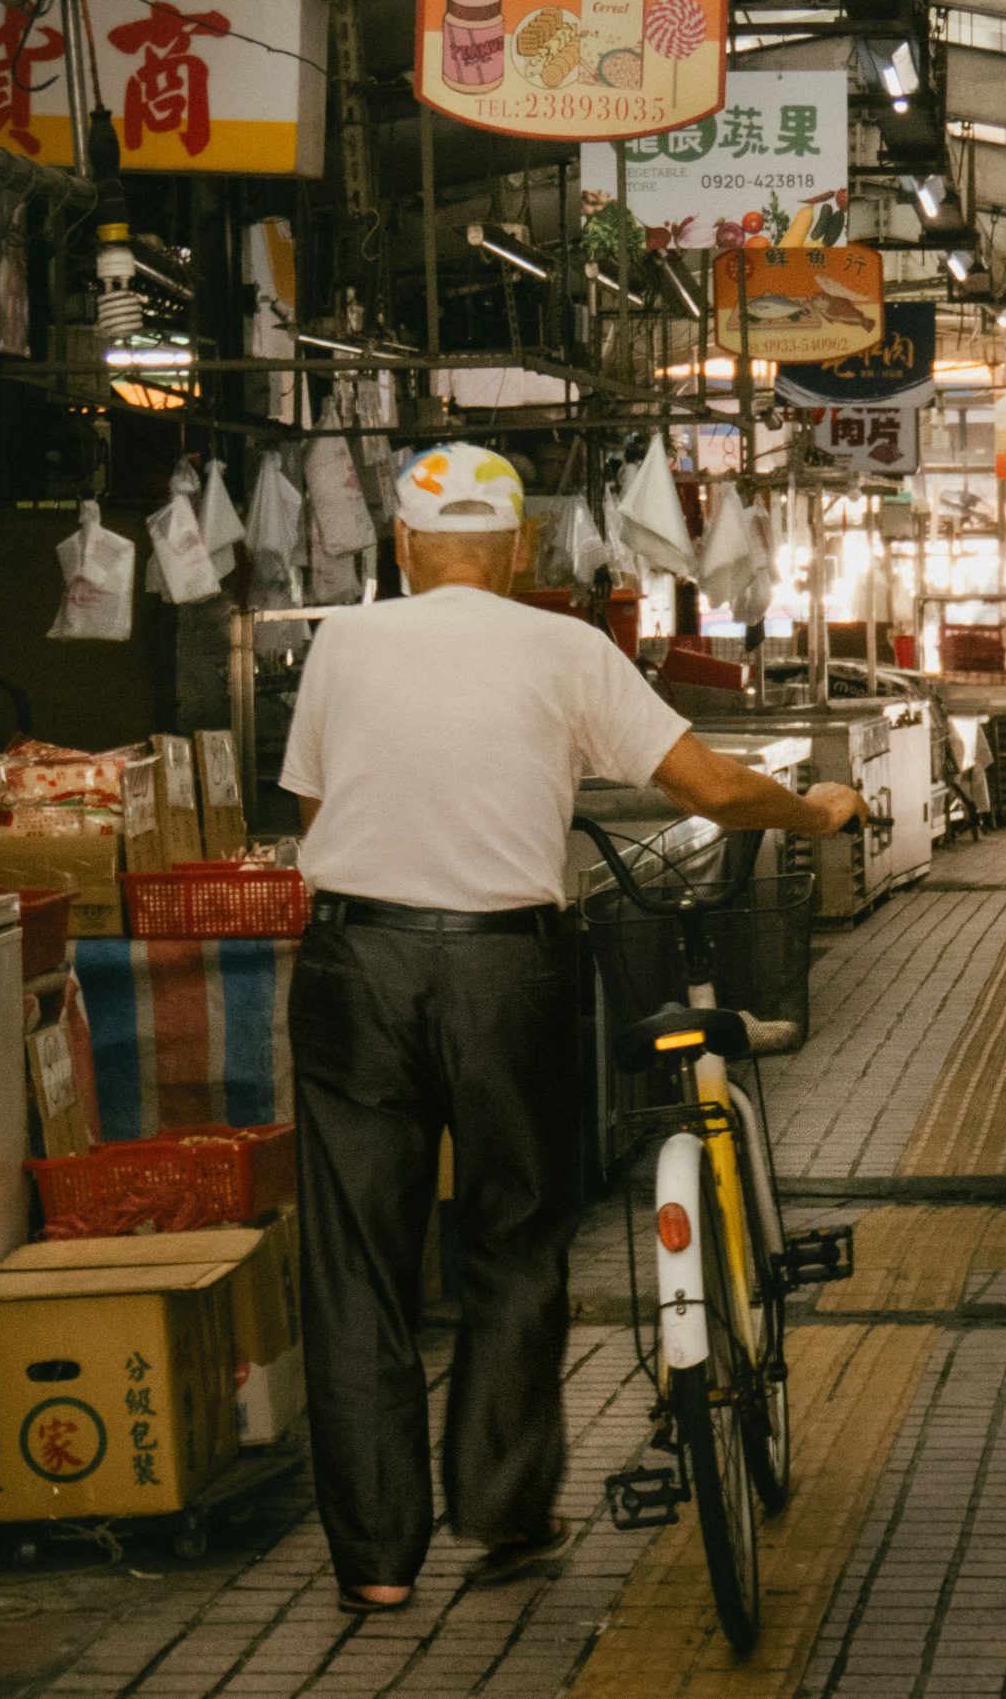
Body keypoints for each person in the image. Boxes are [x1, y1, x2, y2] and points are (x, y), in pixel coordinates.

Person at [277, 441, 870, 1617]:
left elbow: (314, 804)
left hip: (356, 963)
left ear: (400, 546)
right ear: (519, 551)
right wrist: (811, 813)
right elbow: (703, 787)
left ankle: (379, 1566)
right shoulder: (565, 646)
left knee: (358, 1263)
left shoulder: (341, 644)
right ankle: (500, 1511)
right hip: (506, 970)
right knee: (512, 1237)